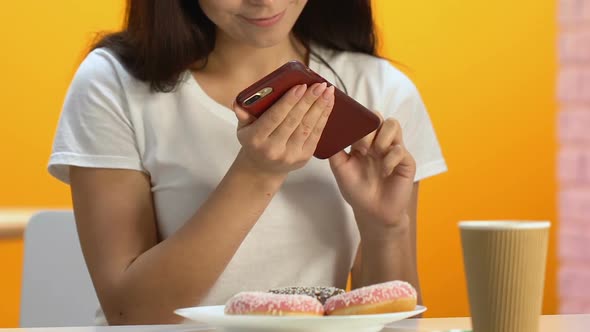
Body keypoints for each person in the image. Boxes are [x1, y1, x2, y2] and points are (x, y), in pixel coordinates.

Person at [48, 0, 447, 325]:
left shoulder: (380, 89)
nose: (265, 1)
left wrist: (384, 228)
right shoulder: (112, 84)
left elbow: (393, 322)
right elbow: (130, 312)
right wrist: (257, 173)